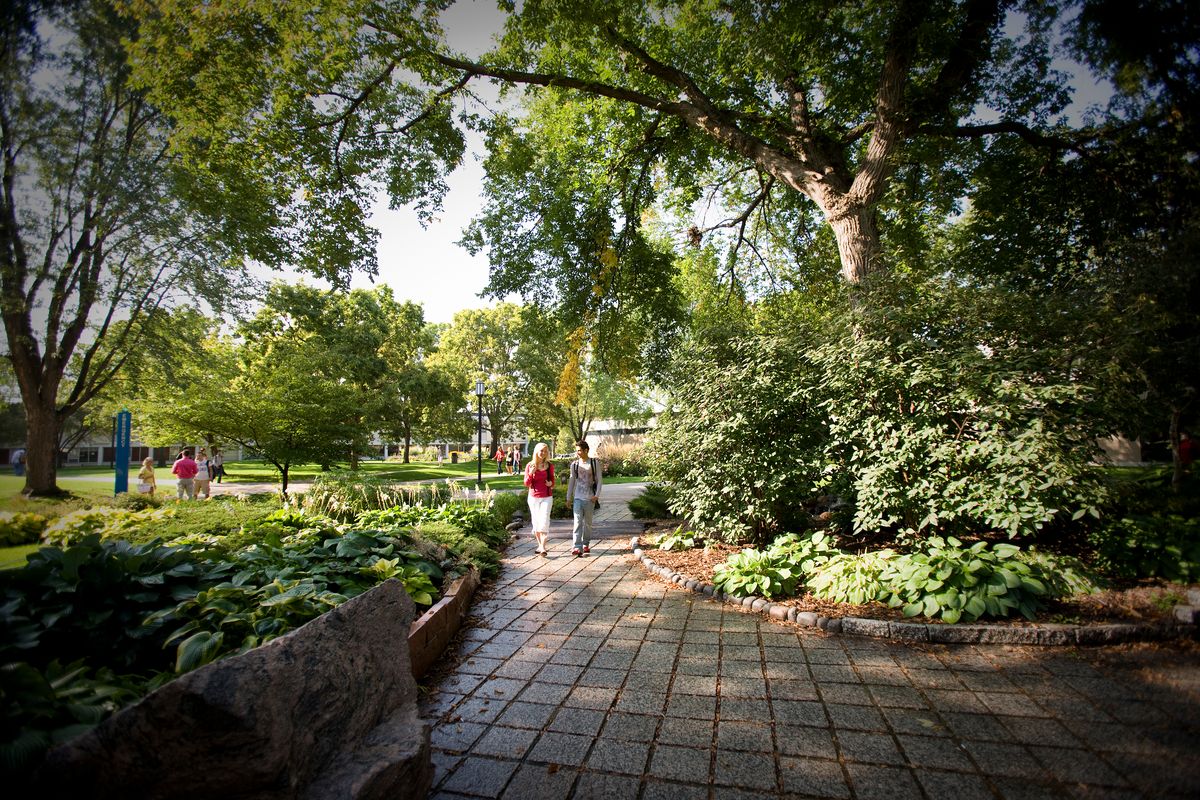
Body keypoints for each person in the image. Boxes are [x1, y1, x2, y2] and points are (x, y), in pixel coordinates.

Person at [565, 439, 602, 557]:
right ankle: (576, 546)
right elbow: (572, 481)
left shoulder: (594, 463)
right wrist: (568, 498)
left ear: (586, 450)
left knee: (588, 523)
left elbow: (599, 480)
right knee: (577, 522)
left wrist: (596, 495)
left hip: (590, 498)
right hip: (578, 497)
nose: (578, 453)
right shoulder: (574, 465)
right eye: (577, 451)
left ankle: (585, 544)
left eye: (580, 450)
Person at [523, 442, 555, 556]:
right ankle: (540, 545)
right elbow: (526, 483)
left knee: (544, 520)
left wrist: (550, 483)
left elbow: (553, 482)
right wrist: (531, 473)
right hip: (533, 497)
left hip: (546, 496)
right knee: (536, 521)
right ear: (536, 451)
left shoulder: (549, 466)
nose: (543, 453)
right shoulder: (530, 465)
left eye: (545, 451)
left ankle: (543, 547)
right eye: (541, 451)